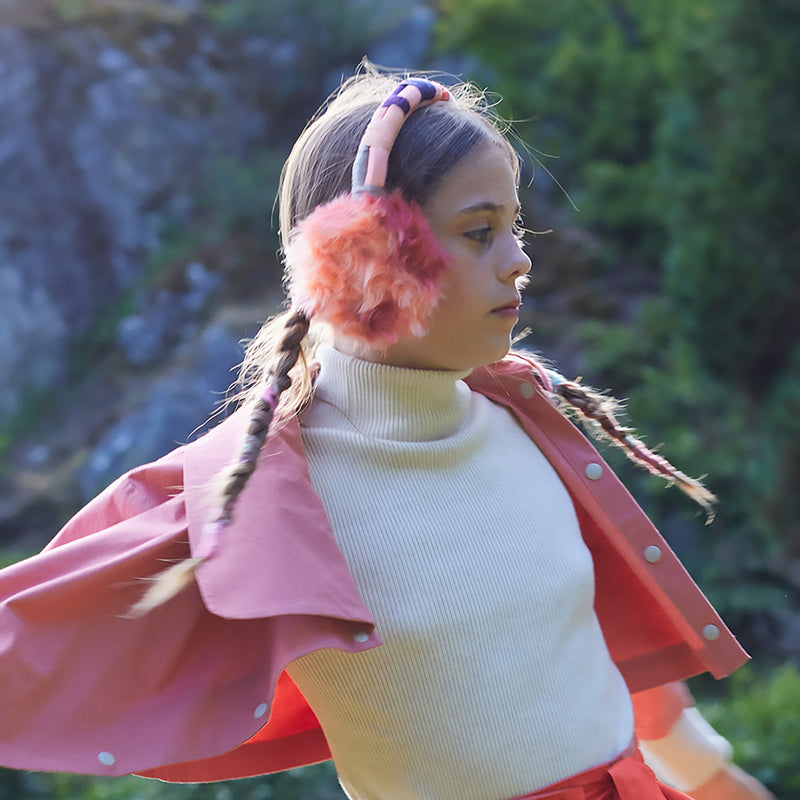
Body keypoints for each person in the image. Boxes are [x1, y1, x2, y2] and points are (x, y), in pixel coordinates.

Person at [0, 67, 775, 800]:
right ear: (362, 260)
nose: (520, 261)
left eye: (514, 226)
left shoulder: (523, 417)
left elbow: (580, 633)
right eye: (479, 232)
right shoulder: (261, 496)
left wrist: (707, 773)